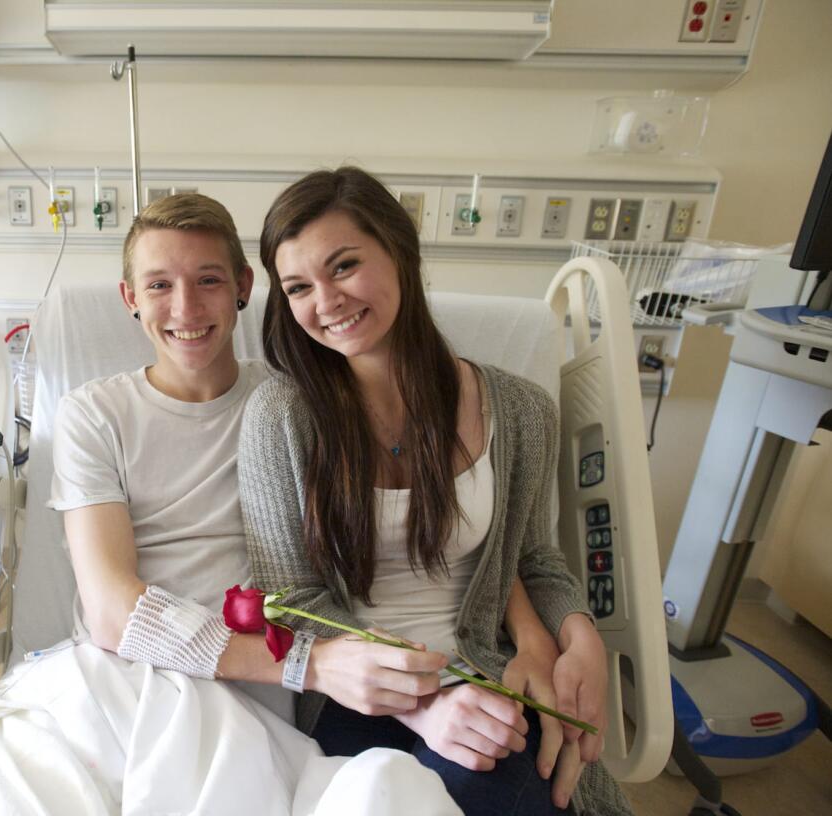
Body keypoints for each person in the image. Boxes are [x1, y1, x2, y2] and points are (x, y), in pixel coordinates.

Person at [0, 193, 463, 815]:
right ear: (130, 298)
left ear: (244, 286)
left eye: (208, 280)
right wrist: (310, 665)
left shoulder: (295, 405)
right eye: (159, 284)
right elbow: (113, 611)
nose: (185, 308)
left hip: (248, 702)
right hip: (115, 682)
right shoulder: (95, 415)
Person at [239, 167, 634, 816]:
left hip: (486, 666)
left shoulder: (520, 411)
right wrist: (427, 700)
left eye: (344, 266)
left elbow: (535, 560)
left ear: (402, 250)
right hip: (354, 692)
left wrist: (579, 633)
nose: (326, 301)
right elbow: (290, 601)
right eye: (299, 287)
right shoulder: (281, 418)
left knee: (509, 767)